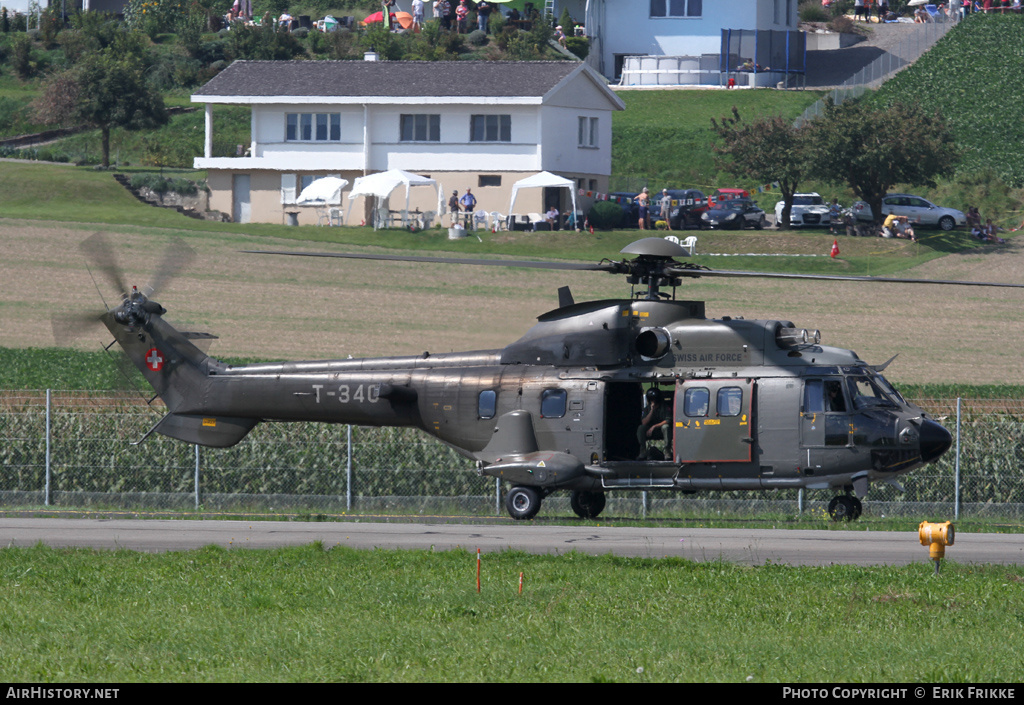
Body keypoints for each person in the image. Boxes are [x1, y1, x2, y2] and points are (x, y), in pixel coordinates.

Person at [636, 388, 670, 461]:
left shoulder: (665, 408)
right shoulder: (647, 409)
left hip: (661, 431)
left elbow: (668, 420)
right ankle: (643, 451)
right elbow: (644, 422)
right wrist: (652, 410)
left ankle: (667, 451)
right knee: (641, 428)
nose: (653, 401)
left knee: (666, 427)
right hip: (650, 432)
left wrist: (654, 426)